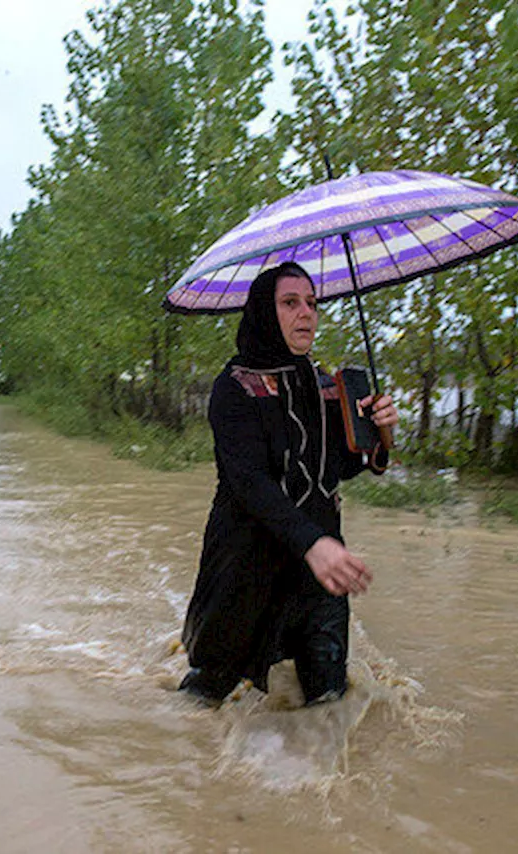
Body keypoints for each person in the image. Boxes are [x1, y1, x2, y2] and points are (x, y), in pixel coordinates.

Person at [179, 261, 399, 707]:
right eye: (290, 303)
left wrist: (382, 433)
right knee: (206, 697)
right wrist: (312, 543)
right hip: (247, 564)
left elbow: (337, 467)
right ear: (265, 311)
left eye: (313, 304)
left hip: (319, 570)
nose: (307, 314)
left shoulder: (325, 386)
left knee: (329, 700)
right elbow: (248, 483)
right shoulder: (234, 388)